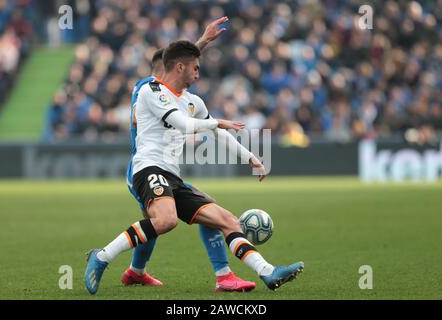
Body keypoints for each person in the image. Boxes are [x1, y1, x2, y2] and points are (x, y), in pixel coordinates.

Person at [84, 40, 304, 295]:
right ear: (179, 67)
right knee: (165, 220)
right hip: (148, 168)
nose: (199, 73)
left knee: (227, 220)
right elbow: (183, 125)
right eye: (195, 68)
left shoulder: (193, 101)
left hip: (172, 176)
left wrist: (250, 157)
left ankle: (267, 271)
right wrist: (217, 122)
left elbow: (219, 134)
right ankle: (101, 257)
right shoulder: (152, 91)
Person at [121, 17, 256, 292]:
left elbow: (182, 61)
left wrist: (204, 41)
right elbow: (140, 117)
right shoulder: (147, 89)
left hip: (165, 168)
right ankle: (111, 261)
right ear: (164, 70)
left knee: (164, 219)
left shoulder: (174, 93)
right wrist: (202, 42)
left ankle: (136, 272)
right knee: (162, 221)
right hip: (146, 166)